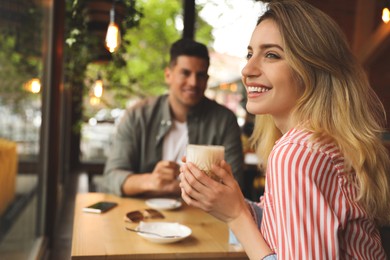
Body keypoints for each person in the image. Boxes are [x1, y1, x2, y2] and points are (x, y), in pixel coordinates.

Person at [179, 1, 390, 259]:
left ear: (312, 70)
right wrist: (227, 201)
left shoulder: (296, 153)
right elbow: (287, 226)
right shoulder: (322, 142)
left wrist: (236, 217)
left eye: (271, 55)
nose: (247, 70)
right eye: (250, 54)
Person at [101, 38, 244, 197]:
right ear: (168, 75)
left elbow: (235, 186)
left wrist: (177, 187)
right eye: (185, 73)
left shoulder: (224, 121)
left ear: (207, 79)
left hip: (201, 217)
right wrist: (151, 181)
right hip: (145, 216)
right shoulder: (137, 116)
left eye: (201, 75)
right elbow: (111, 177)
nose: (193, 82)